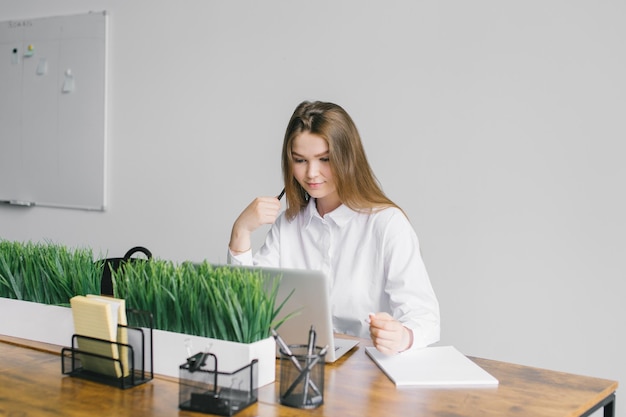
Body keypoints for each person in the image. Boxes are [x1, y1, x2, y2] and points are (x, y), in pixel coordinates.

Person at [228, 100, 439, 354]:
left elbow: (425, 318)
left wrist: (403, 336)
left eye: (324, 159)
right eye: (300, 160)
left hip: (367, 377)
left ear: (347, 157)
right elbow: (245, 311)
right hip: (300, 367)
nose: (312, 173)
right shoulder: (288, 226)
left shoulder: (387, 224)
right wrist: (241, 231)